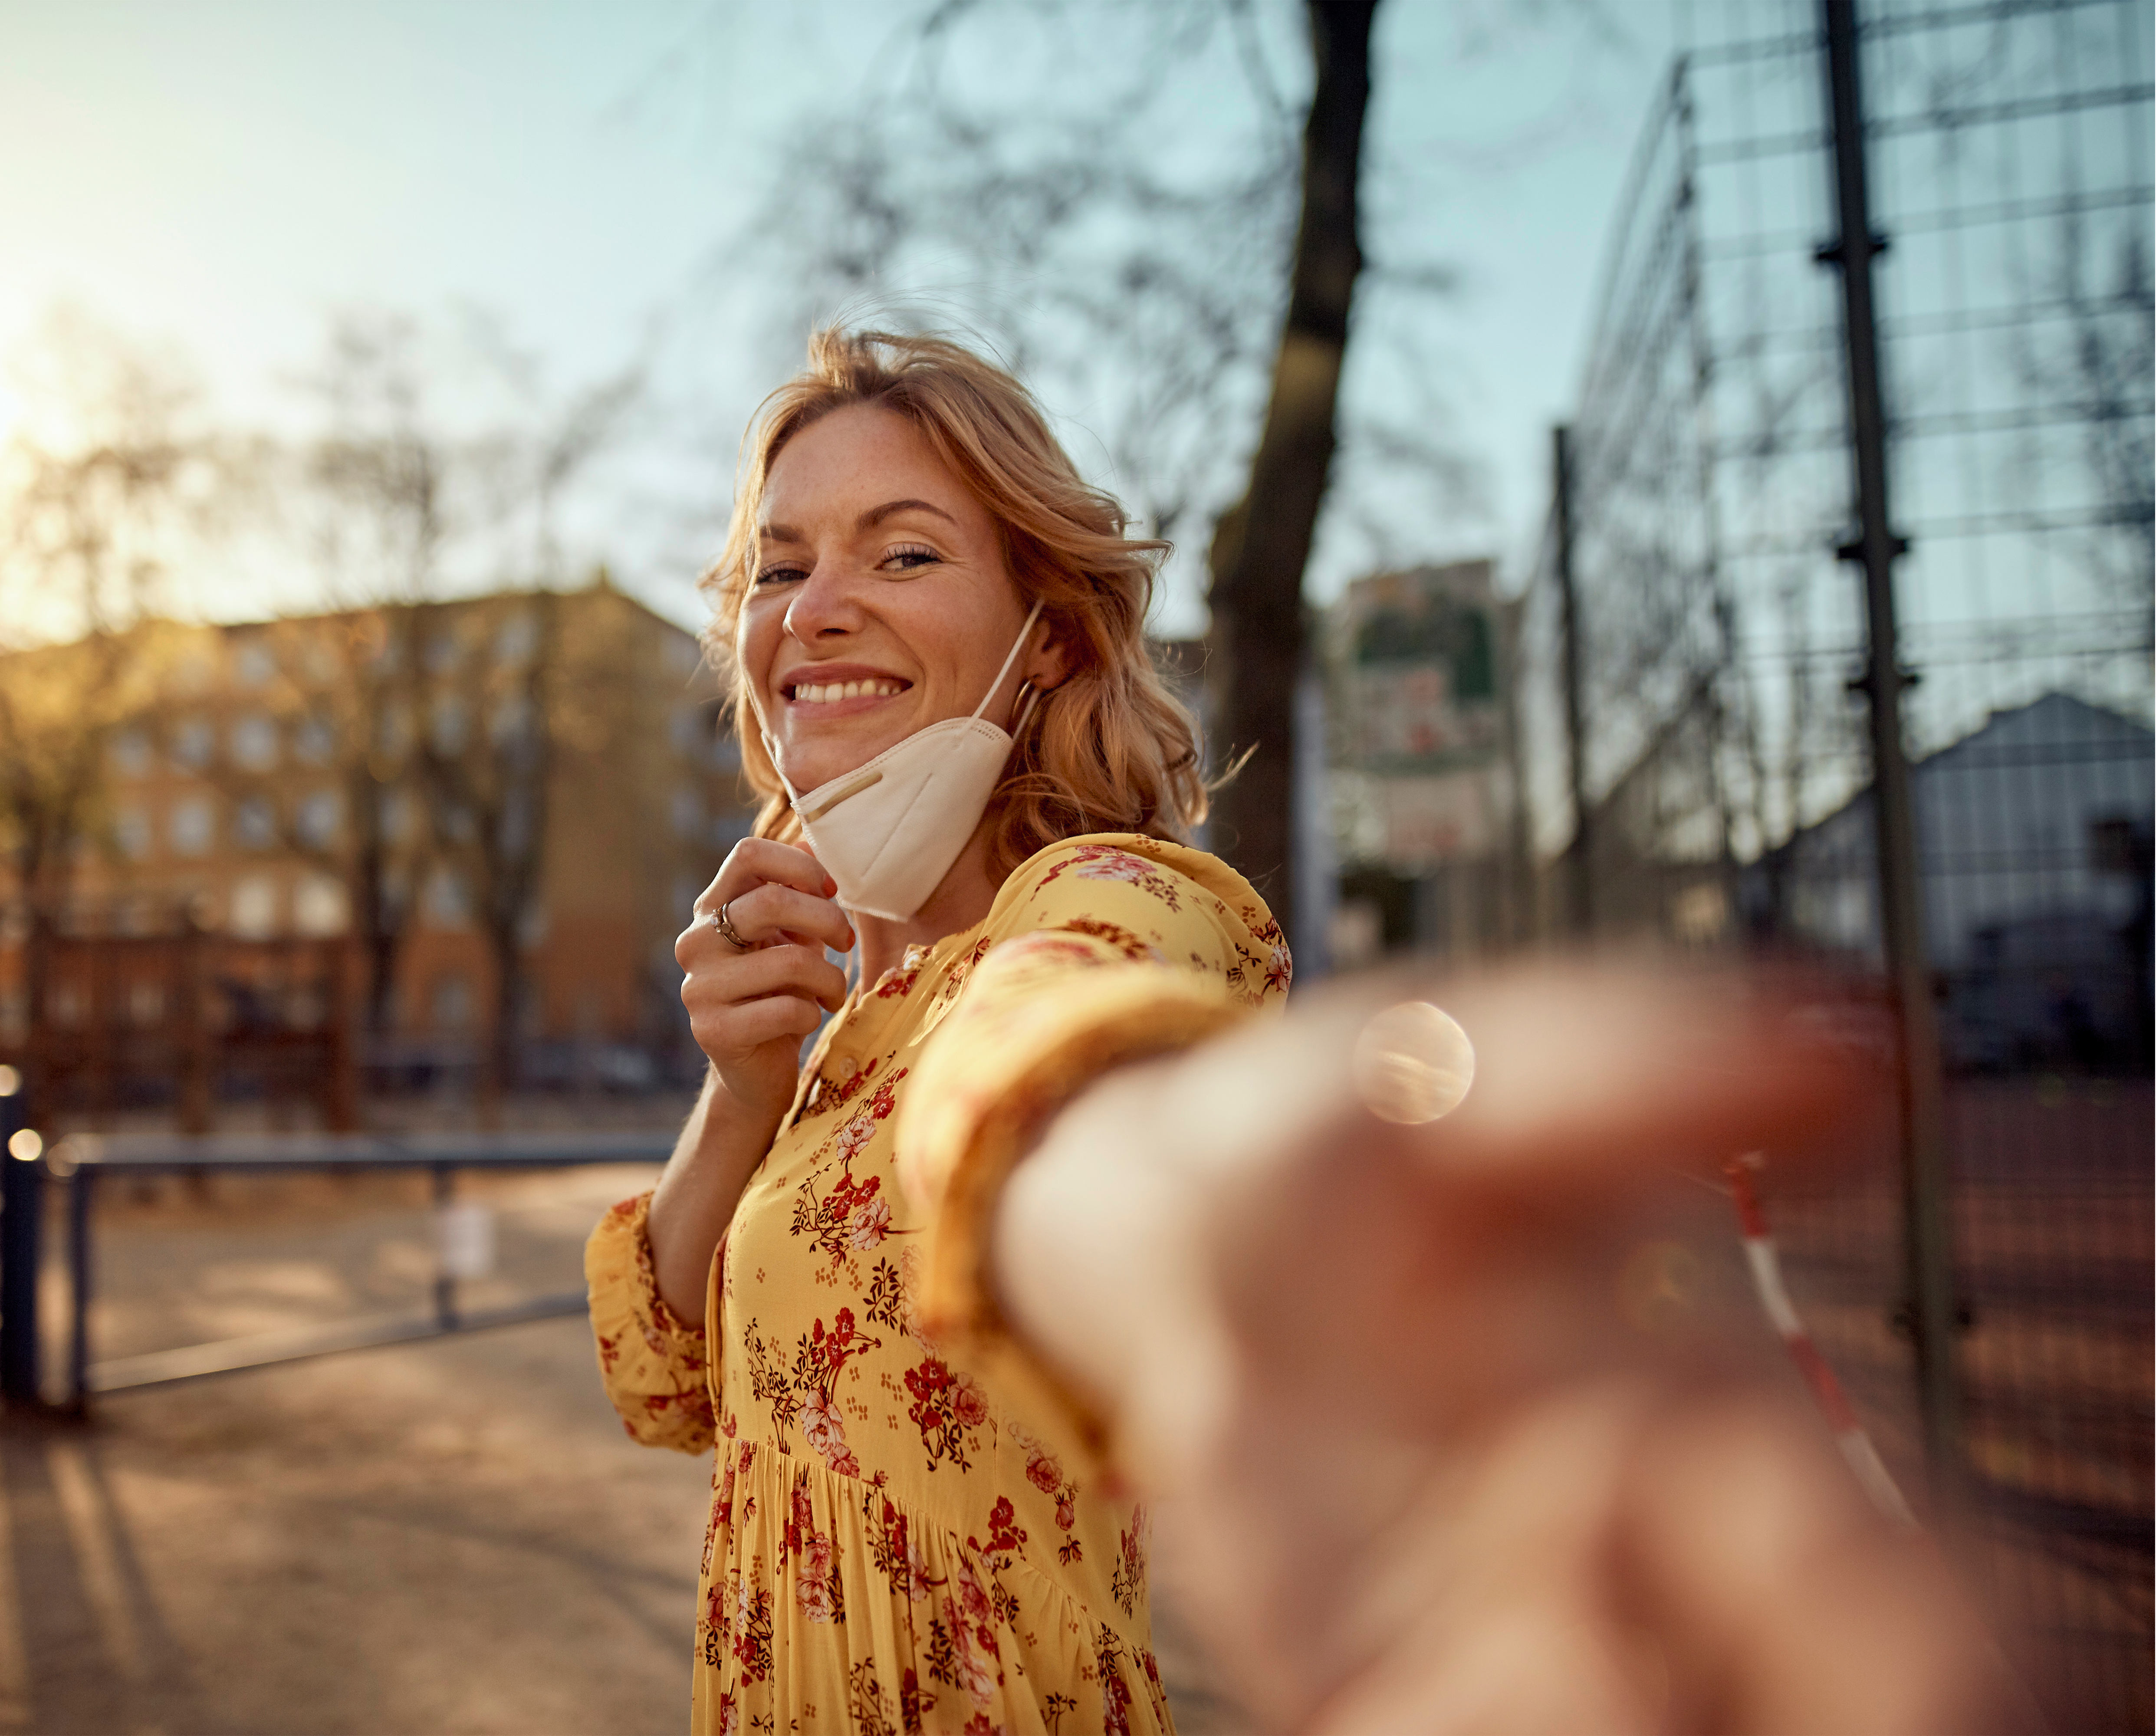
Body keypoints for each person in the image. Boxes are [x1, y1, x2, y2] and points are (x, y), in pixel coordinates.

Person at [588, 328, 2004, 1736]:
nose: (816, 609)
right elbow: (666, 1387)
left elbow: (1063, 1080)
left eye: (903, 555)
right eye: (782, 566)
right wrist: (745, 1091)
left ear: (1054, 635)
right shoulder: (827, 1019)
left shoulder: (1115, 898)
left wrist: (1198, 1207)